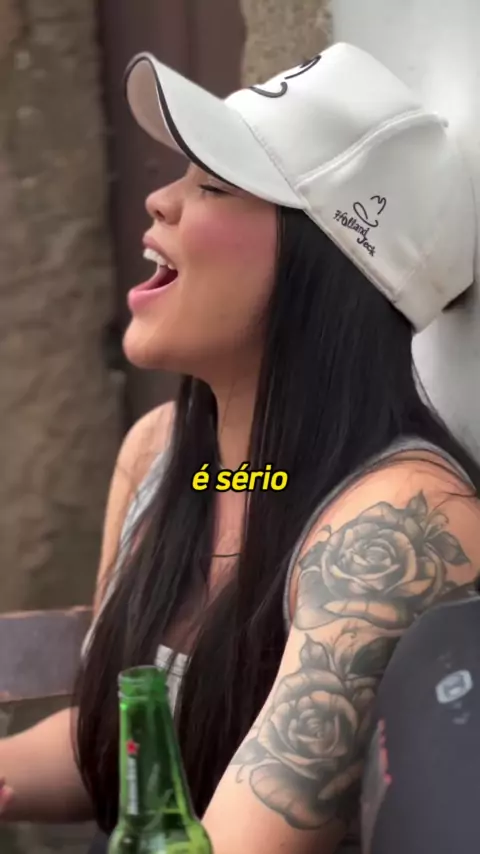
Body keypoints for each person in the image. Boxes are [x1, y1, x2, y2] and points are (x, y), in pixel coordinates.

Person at [1, 41, 479, 854]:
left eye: (212, 186)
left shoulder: (397, 520)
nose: (158, 200)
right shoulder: (161, 457)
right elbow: (122, 744)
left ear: (326, 261)